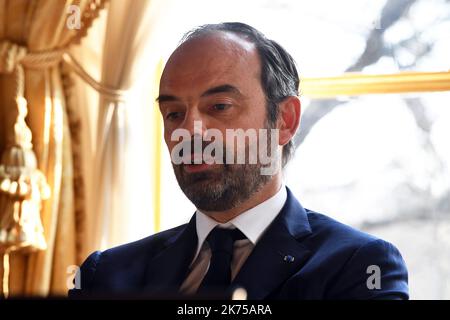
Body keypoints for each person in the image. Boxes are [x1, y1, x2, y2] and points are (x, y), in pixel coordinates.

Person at [69, 22, 408, 299]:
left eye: (219, 107)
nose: (189, 132)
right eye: (173, 113)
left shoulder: (360, 268)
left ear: (284, 120)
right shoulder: (105, 275)